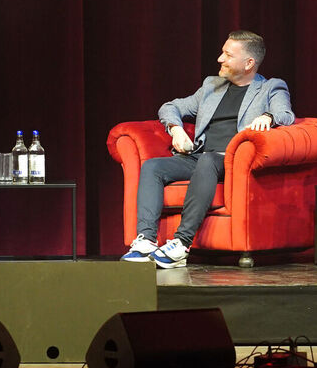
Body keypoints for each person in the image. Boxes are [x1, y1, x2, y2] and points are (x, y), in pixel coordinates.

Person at [121, 30, 294, 269]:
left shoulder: (270, 88)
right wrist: (176, 129)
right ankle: (146, 241)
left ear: (249, 63)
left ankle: (181, 244)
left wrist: (268, 116)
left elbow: (285, 114)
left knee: (209, 160)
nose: (220, 59)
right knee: (153, 166)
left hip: (233, 162)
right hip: (201, 157)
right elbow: (171, 107)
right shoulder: (212, 86)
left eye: (227, 54)